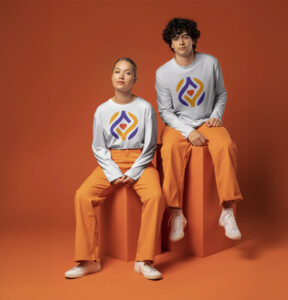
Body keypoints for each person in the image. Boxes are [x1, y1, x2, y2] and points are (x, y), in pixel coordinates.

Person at [65, 58, 164, 280]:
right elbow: (99, 147)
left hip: (141, 161)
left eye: (128, 73)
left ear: (134, 79)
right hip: (111, 160)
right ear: (111, 77)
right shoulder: (102, 110)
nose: (122, 76)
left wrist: (132, 173)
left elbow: (149, 146)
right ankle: (89, 260)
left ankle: (144, 260)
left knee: (156, 196)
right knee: (82, 195)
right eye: (117, 71)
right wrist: (113, 173)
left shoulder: (145, 107)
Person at [156, 18, 243, 243]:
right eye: (176, 39)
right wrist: (188, 131)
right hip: (178, 124)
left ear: (193, 39)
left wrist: (216, 116)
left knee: (225, 146)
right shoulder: (163, 73)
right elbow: (165, 111)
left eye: (185, 36)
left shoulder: (210, 63)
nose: (181, 42)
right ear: (171, 44)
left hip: (207, 121)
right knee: (170, 149)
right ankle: (176, 213)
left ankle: (227, 210)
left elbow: (221, 94)